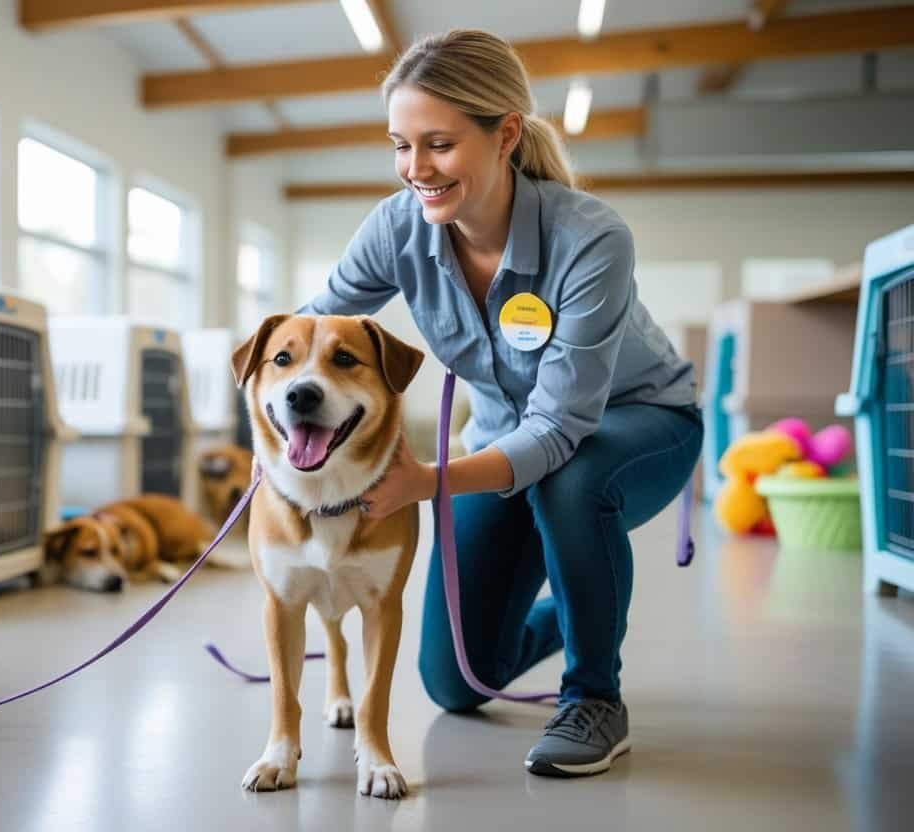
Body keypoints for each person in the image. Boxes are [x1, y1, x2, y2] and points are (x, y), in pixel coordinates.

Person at [299, 29, 703, 778]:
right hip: (502, 436)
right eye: (400, 145)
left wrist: (426, 482)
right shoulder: (398, 227)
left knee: (572, 479)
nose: (415, 170)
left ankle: (595, 698)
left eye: (439, 144)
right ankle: (589, 609)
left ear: (505, 133)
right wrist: (288, 420)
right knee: (452, 681)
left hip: (639, 424)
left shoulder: (590, 238)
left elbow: (559, 428)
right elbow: (311, 328)